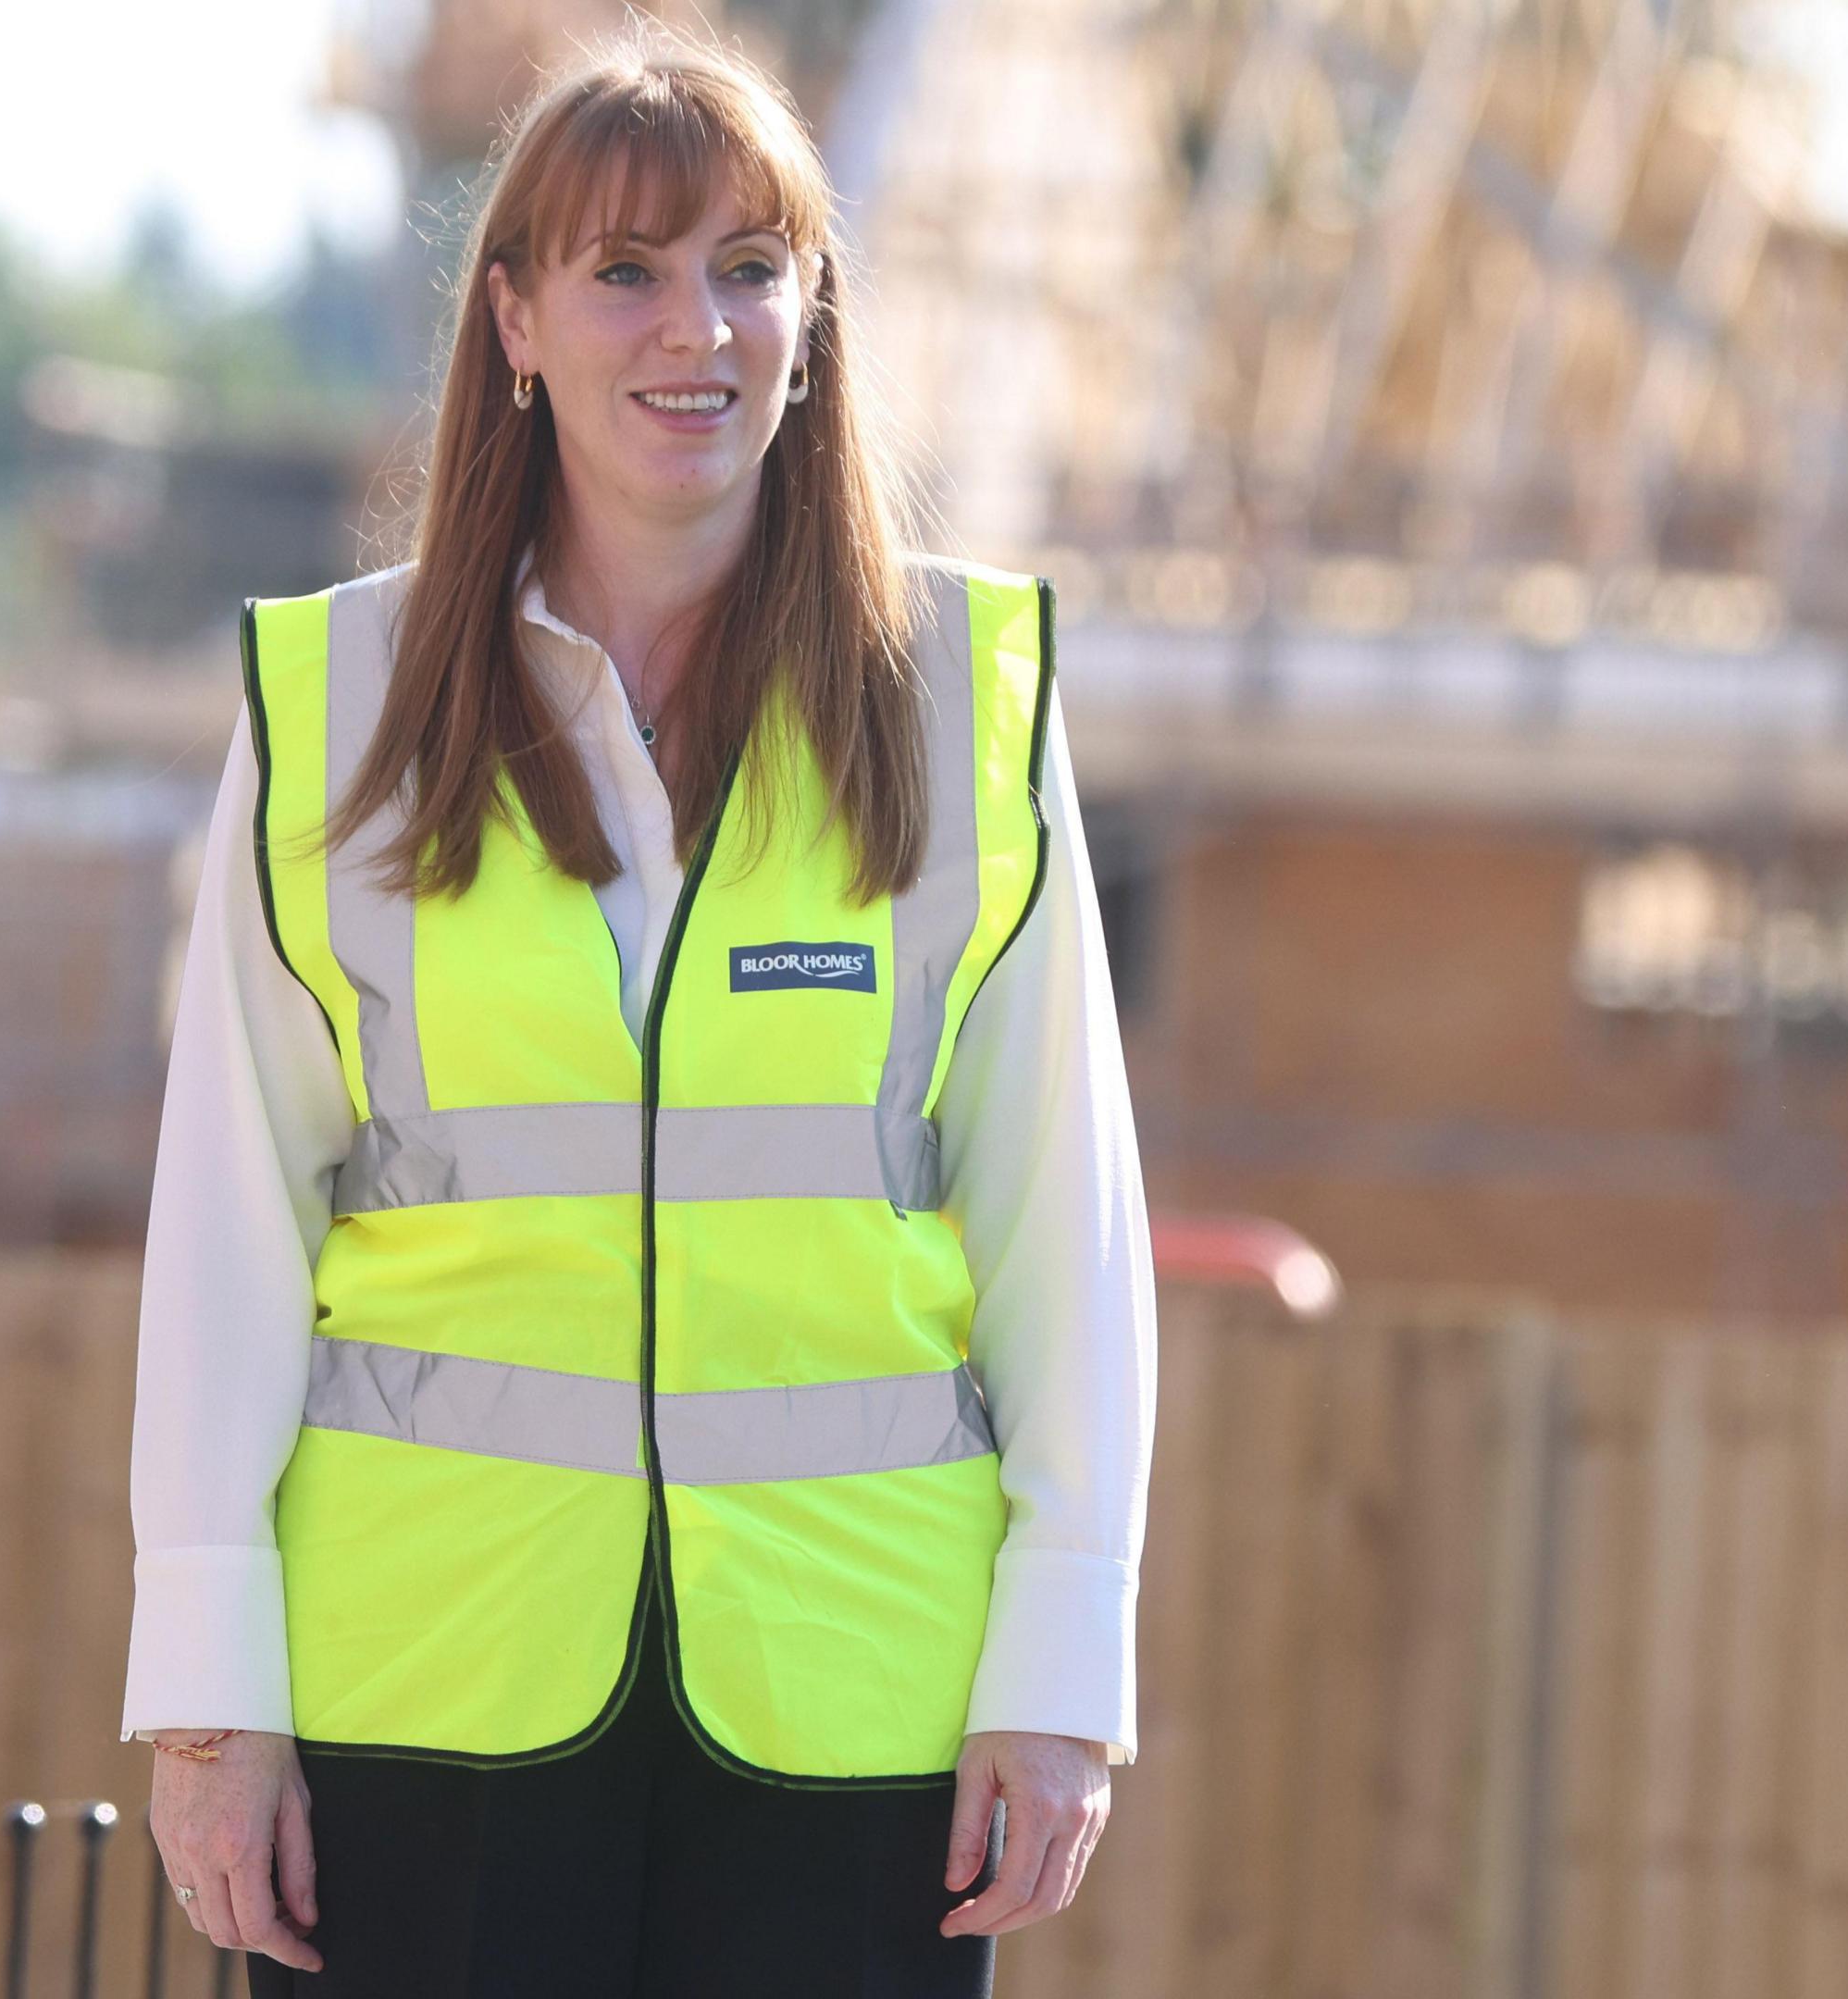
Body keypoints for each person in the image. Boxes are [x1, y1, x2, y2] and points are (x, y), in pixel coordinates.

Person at [120, 24, 1155, 1996]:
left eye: (751, 267)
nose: (700, 327)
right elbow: (229, 1233)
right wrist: (206, 1700)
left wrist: (1063, 1665)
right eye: (627, 269)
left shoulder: (968, 699)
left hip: (861, 1709)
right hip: (420, 1695)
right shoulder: (336, 706)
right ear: (513, 315)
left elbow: (1063, 1228)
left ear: (814, 307)